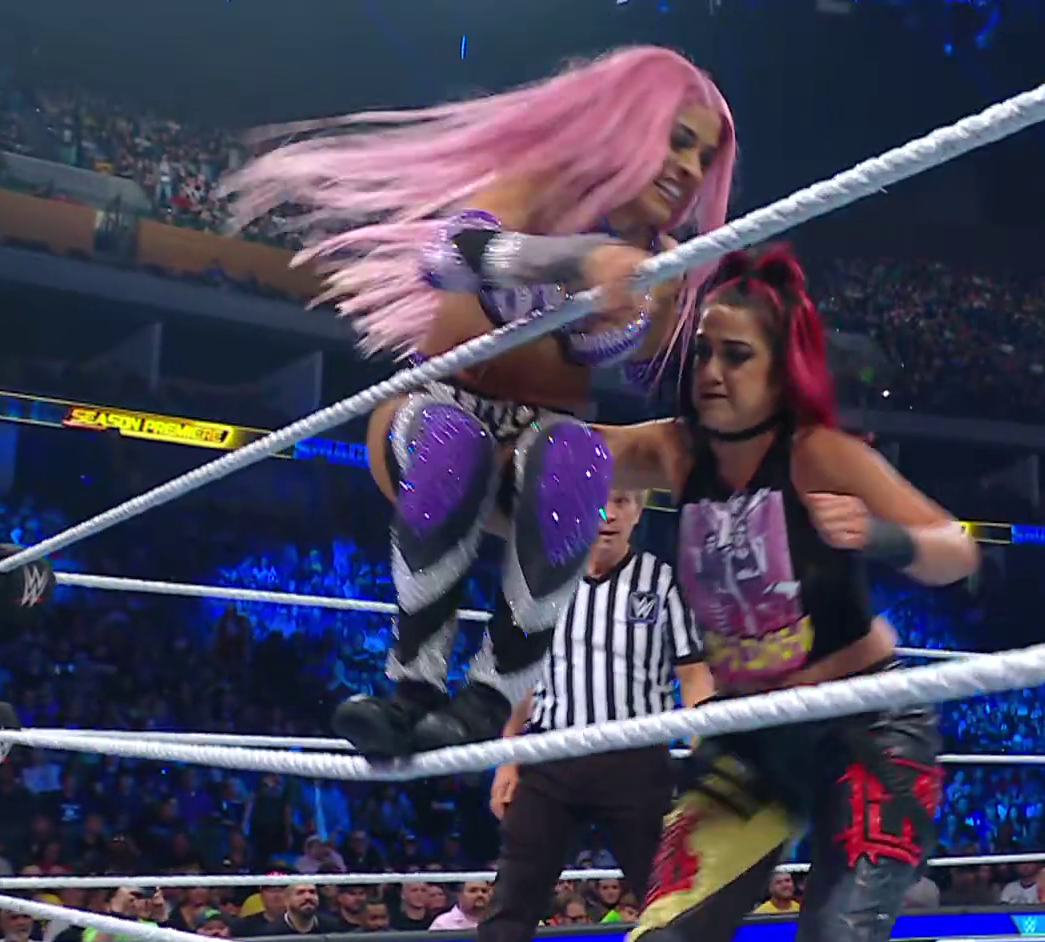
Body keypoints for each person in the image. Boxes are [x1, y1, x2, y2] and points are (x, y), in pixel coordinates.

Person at [223, 46, 737, 758]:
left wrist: (624, 307)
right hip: (434, 417)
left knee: (580, 459)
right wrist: (577, 261)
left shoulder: (666, 267)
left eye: (704, 158)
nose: (689, 169)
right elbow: (450, 254)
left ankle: (492, 695)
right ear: (627, 124)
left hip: (537, 454)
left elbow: (620, 354)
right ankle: (409, 688)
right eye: (677, 141)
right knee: (451, 441)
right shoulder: (542, 187)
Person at [581, 247, 980, 942]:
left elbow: (957, 549)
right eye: (703, 352)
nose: (712, 373)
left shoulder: (818, 455)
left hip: (865, 726)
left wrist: (882, 537)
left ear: (779, 369)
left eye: (736, 355)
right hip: (751, 735)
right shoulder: (676, 453)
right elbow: (573, 455)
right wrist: (511, 369)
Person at [436, 489, 727, 942]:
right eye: (598, 501)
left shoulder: (662, 581)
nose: (609, 514)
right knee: (509, 907)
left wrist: (711, 750)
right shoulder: (543, 580)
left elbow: (694, 674)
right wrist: (508, 760)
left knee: (663, 907)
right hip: (550, 761)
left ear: (640, 508)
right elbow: (521, 680)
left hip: (636, 763)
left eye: (623, 501)